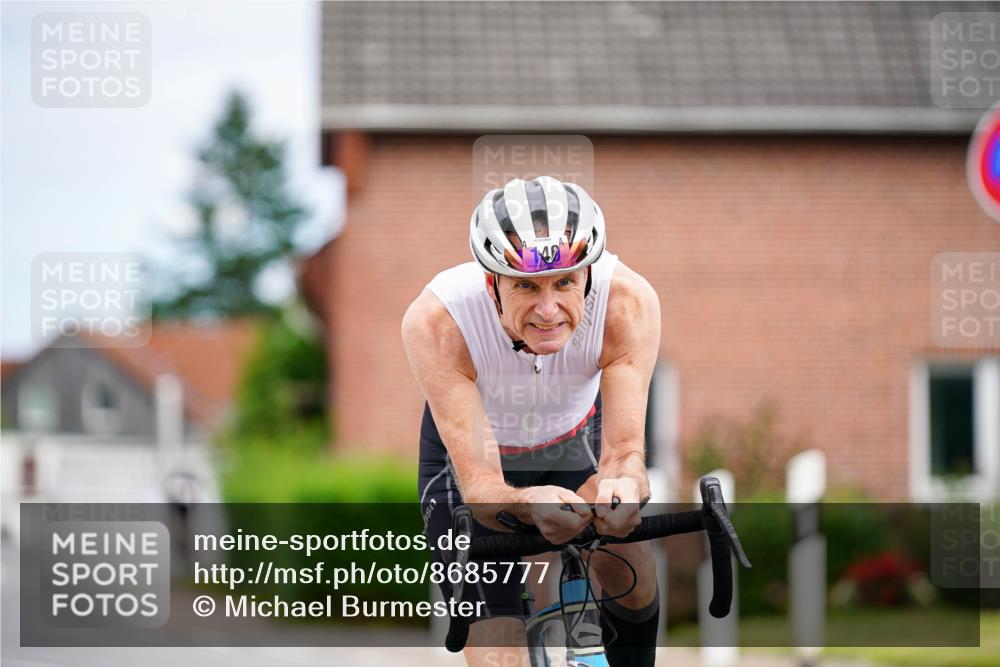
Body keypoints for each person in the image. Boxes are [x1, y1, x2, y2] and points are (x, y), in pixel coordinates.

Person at [402, 176, 661, 667]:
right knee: (499, 648)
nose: (549, 310)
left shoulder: (626, 303)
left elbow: (626, 457)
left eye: (565, 282)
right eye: (525, 285)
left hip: (573, 441)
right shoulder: (439, 321)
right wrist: (526, 501)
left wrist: (623, 490)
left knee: (632, 565)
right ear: (491, 283)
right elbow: (481, 490)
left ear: (588, 275)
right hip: (473, 463)